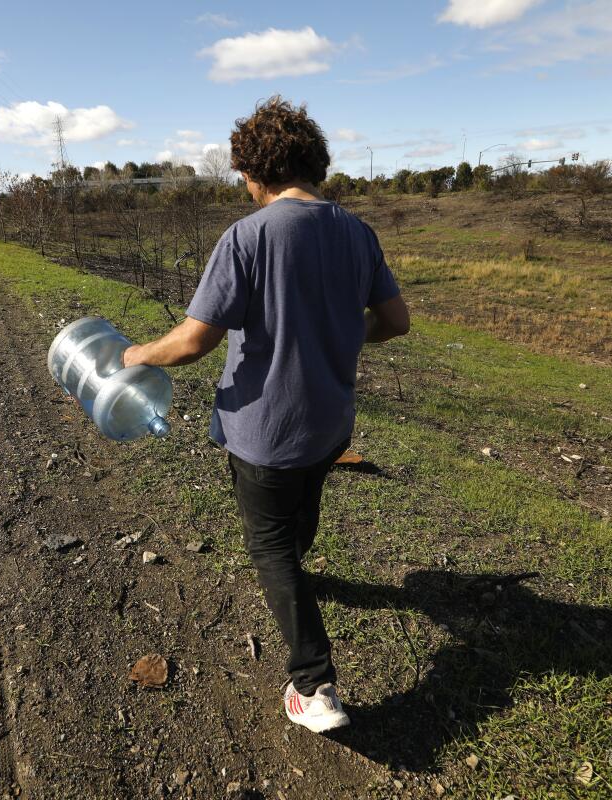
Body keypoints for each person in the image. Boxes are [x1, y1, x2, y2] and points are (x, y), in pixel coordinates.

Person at [122, 96, 410, 733]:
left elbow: (195, 341)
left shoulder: (247, 237)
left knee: (270, 546)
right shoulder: (358, 232)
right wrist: (336, 334)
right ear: (313, 163)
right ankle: (299, 586)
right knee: (300, 510)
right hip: (330, 421)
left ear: (254, 171)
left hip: (264, 428)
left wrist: (134, 353)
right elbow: (395, 321)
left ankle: (313, 685)